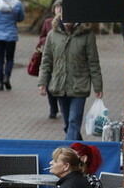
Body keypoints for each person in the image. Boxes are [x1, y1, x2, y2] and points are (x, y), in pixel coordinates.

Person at [37, 12, 103, 141]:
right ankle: (79, 151)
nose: (67, 19)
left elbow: (93, 63)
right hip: (60, 86)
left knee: (73, 121)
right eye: (64, 15)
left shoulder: (87, 36)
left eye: (70, 16)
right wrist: (42, 83)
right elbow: (46, 62)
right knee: (68, 124)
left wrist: (98, 86)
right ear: (60, 17)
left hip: (79, 85)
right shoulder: (52, 35)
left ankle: (65, 153)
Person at [0, 0, 25, 91]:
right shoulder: (18, 4)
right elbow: (21, 18)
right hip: (11, 35)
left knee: (0, 59)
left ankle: (0, 82)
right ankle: (7, 77)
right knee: (10, 58)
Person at [37, 0, 62, 119]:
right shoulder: (48, 22)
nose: (59, 9)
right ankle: (53, 108)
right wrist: (45, 41)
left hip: (62, 57)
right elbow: (41, 36)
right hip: (49, 56)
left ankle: (62, 106)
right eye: (57, 7)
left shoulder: (67, 23)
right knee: (49, 83)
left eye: (61, 6)